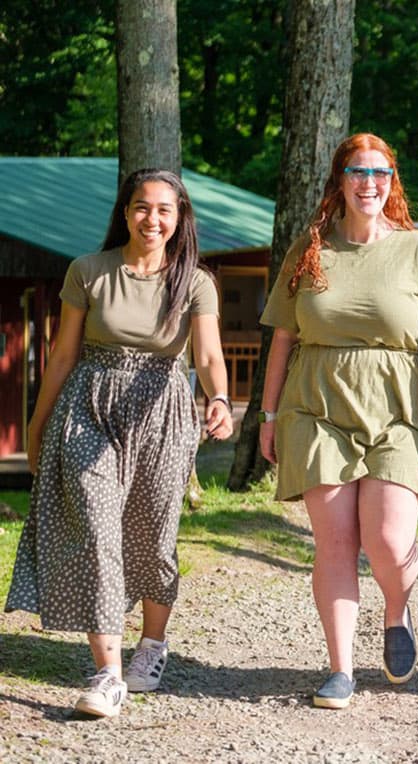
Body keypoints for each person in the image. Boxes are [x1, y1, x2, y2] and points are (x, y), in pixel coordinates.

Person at [5, 168, 233, 718]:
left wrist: (220, 398)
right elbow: (63, 353)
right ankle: (107, 674)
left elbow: (206, 355)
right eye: (141, 207)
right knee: (97, 530)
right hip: (90, 407)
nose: (152, 219)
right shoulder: (88, 270)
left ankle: (151, 645)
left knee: (152, 538)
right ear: (125, 213)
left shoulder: (194, 281)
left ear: (179, 218)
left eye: (164, 209)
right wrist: (38, 423)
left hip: (161, 412)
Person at [259, 133, 418, 710]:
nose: (369, 183)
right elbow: (283, 337)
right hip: (316, 406)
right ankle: (341, 669)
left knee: (387, 540)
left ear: (391, 182)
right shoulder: (309, 249)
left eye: (380, 173)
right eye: (358, 171)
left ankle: (397, 611)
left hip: (398, 410)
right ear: (340, 180)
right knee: (334, 542)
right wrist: (269, 415)